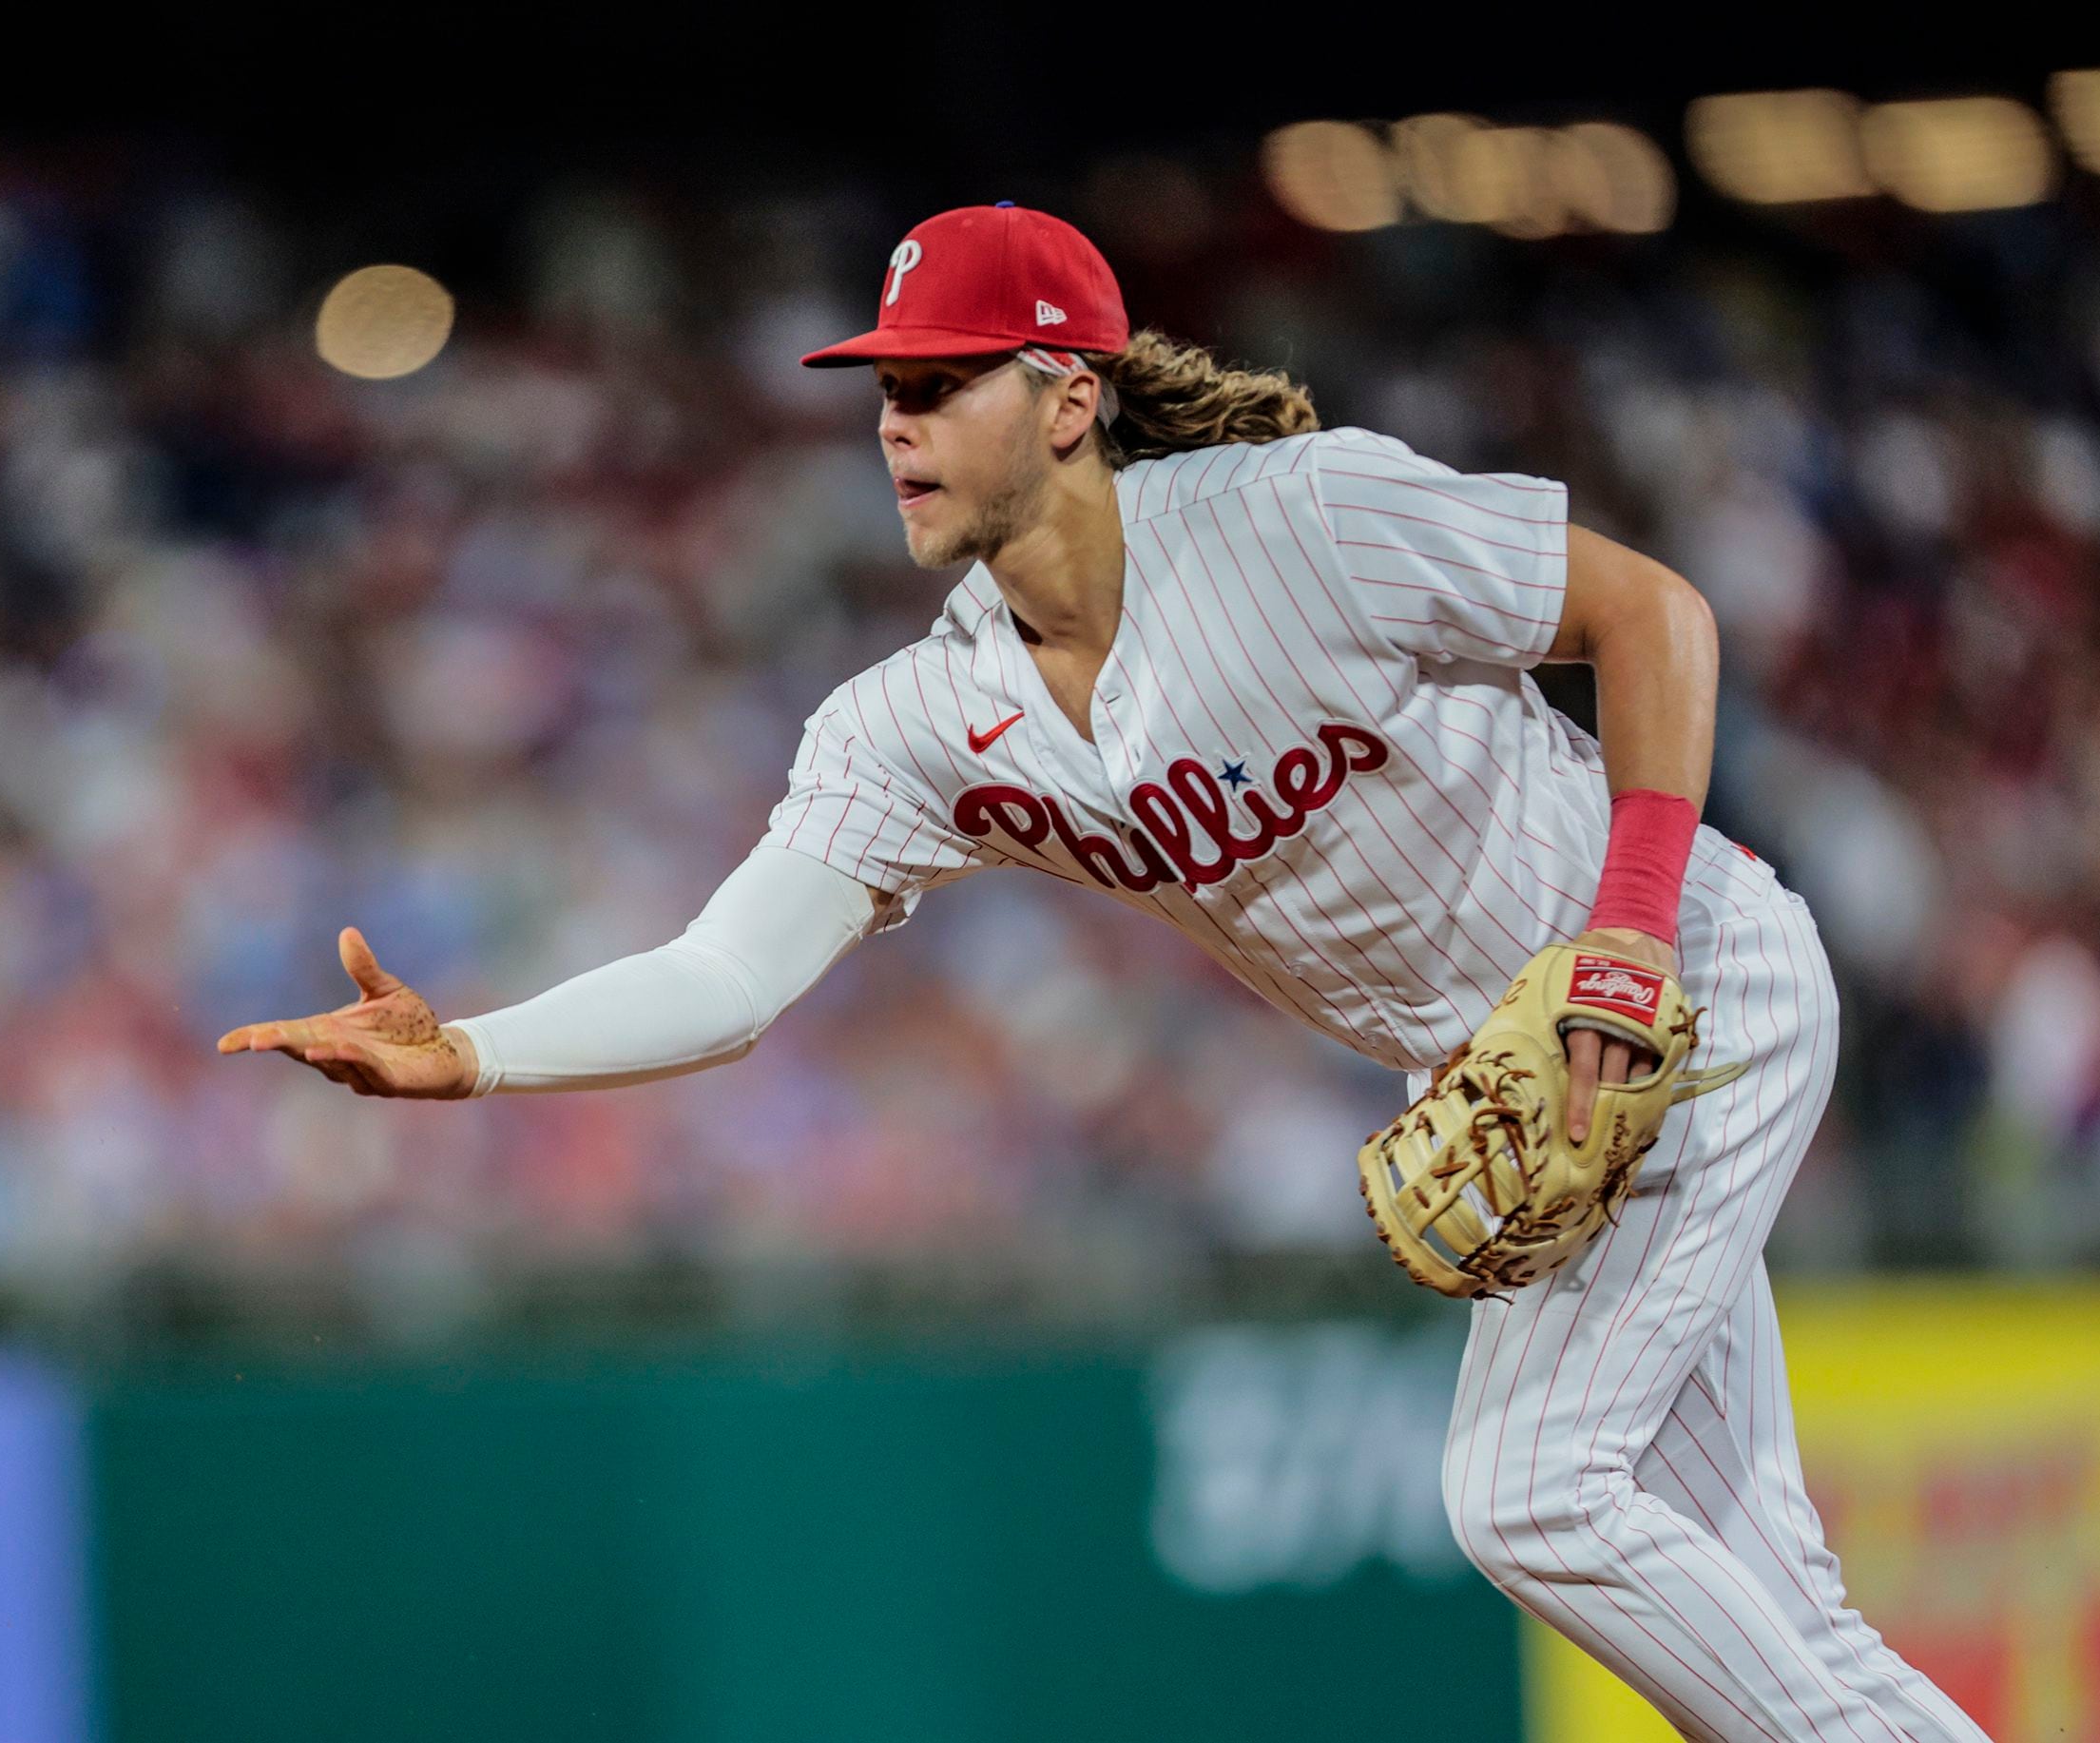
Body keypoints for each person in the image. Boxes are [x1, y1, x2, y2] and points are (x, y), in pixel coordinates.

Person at [220, 203, 1989, 1740]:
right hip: (1519, 1081)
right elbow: (728, 972)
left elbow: (1649, 615)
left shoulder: (1297, 519)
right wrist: (471, 1055)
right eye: (885, 395)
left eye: (938, 385)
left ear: (1069, 396)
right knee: (1757, 1598)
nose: (894, 427)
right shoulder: (922, 720)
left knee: (1528, 1492)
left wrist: (1625, 932)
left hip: (1678, 981)